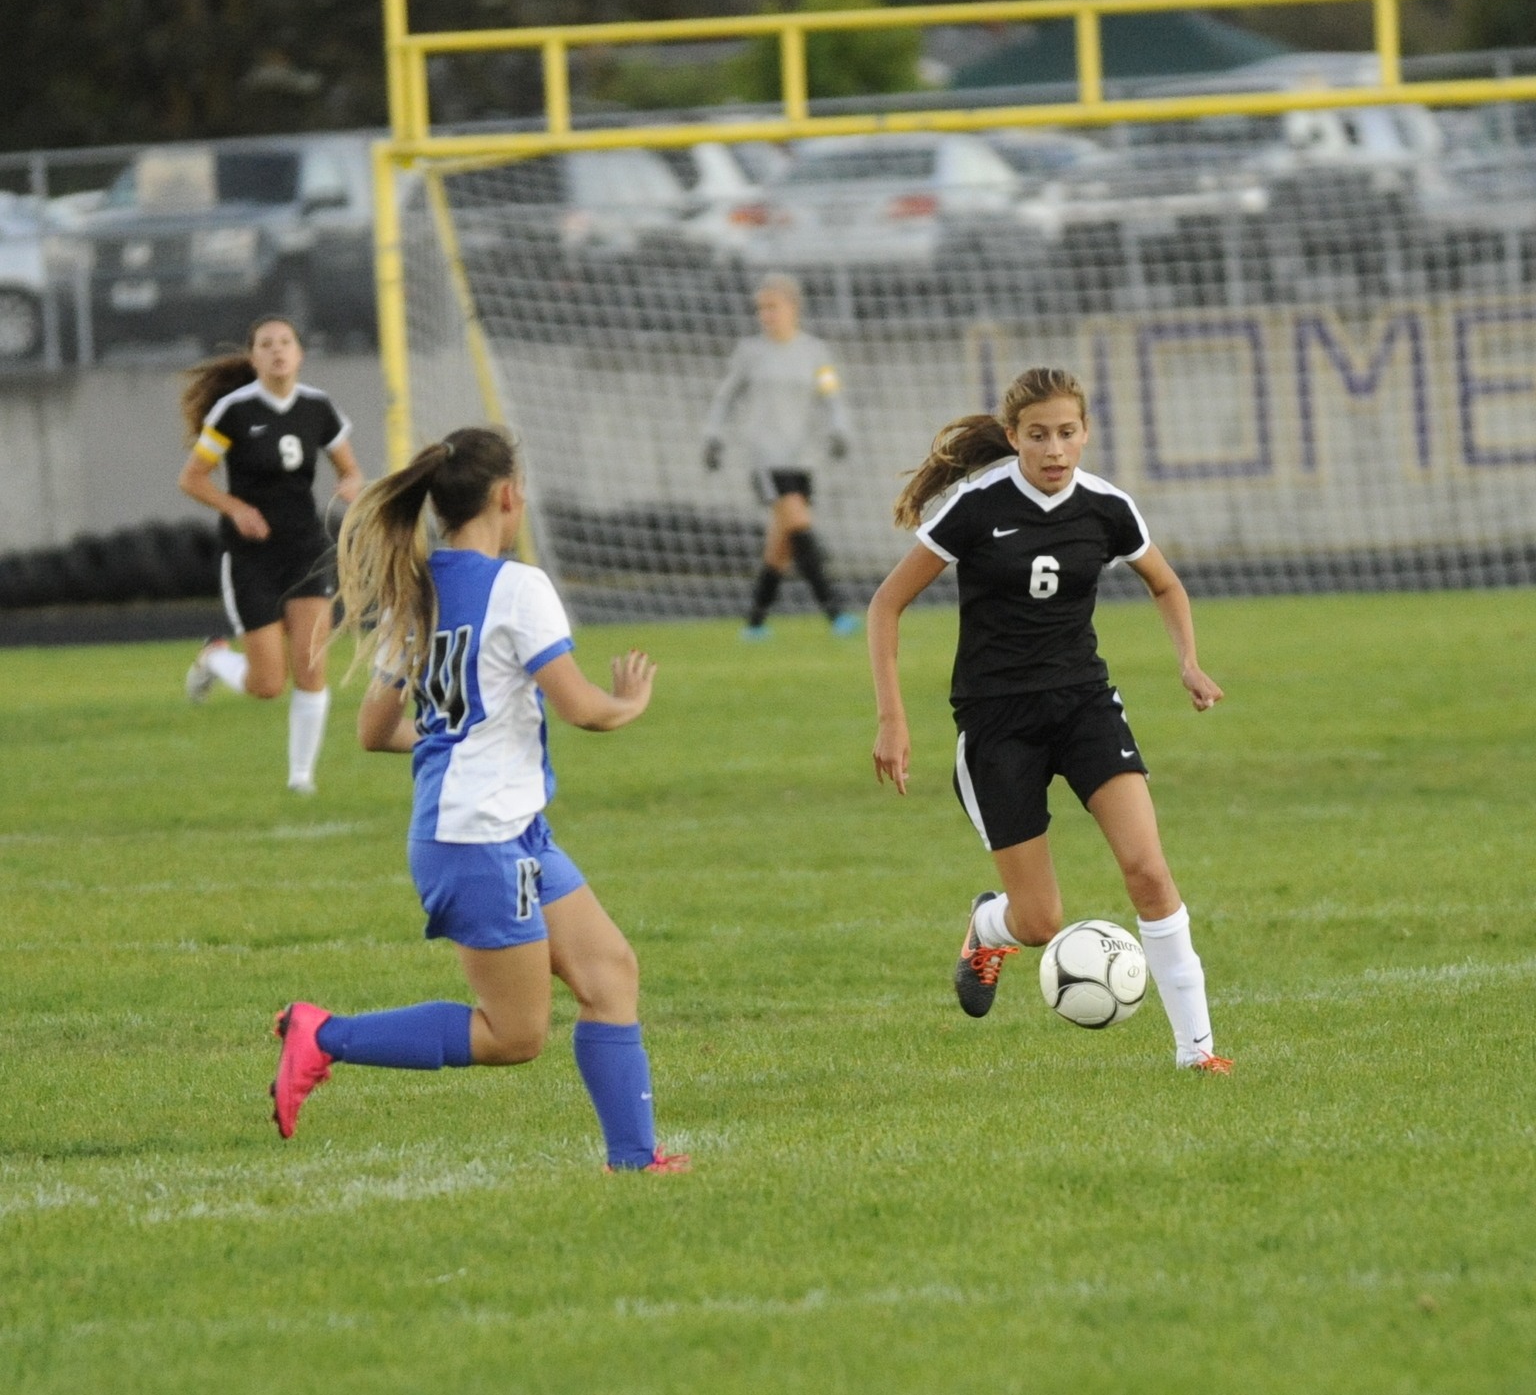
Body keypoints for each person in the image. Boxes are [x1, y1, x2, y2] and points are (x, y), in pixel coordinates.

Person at [268, 427, 688, 1174]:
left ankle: (634, 1159)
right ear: (505, 495)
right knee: (514, 1034)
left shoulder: (417, 590)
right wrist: (629, 702)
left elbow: (374, 730)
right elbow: (583, 709)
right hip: (479, 838)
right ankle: (322, 1034)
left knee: (611, 971)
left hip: (504, 829)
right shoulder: (519, 587)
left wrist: (454, 739)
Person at [867, 367, 1232, 1073]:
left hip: (1084, 705)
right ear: (1013, 437)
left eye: (1068, 433)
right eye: (1038, 435)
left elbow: (1165, 580)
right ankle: (987, 924)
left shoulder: (1106, 507)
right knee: (1039, 921)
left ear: (1086, 432)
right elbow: (886, 605)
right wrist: (893, 719)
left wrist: (1188, 660)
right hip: (997, 720)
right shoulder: (976, 506)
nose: (1055, 449)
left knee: (1149, 872)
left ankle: (1198, 1050)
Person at [177, 316, 363, 793]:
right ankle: (215, 657)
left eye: (286, 343)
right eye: (267, 344)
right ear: (254, 357)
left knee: (312, 666)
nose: (278, 351)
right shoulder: (233, 412)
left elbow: (349, 469)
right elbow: (193, 479)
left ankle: (301, 779)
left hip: (305, 550)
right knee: (267, 685)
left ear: (299, 354)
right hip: (251, 557)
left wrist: (349, 487)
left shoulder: (318, 408)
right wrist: (235, 508)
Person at [702, 273, 858, 639]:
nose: (765, 315)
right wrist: (712, 436)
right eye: (761, 308)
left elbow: (830, 395)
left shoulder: (815, 352)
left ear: (793, 308)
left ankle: (755, 622)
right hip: (765, 457)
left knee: (782, 540)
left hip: (803, 457)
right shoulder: (750, 353)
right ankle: (835, 613)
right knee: (799, 523)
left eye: (772, 307)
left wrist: (839, 430)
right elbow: (726, 397)